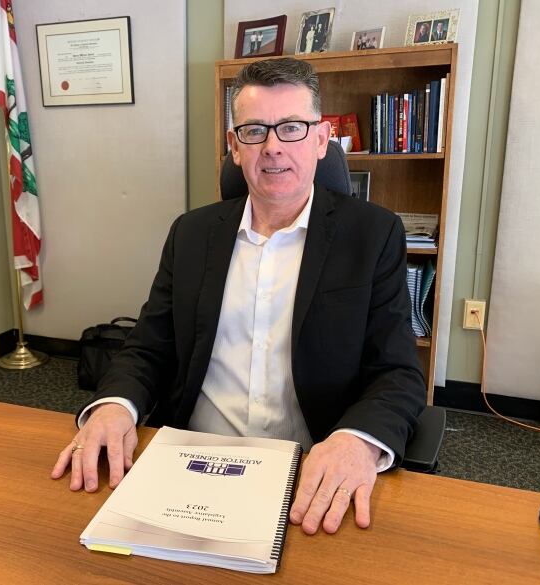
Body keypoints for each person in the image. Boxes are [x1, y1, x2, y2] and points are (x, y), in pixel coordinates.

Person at [51, 58, 425, 535]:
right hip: (190, 459)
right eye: (253, 131)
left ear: (320, 138)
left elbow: (397, 372)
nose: (272, 148)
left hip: (310, 469)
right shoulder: (192, 233)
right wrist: (114, 406)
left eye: (291, 128)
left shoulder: (372, 235)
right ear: (233, 146)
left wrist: (356, 441)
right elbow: (149, 346)